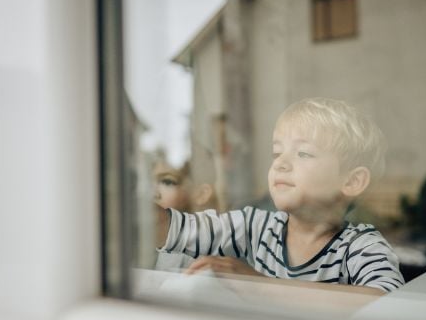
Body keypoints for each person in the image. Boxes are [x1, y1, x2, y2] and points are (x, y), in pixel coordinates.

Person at [156, 98, 404, 294]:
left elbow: (386, 304)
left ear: (351, 181)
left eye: (304, 153)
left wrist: (261, 287)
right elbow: (175, 229)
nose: (281, 164)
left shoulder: (361, 246)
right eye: (277, 153)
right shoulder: (255, 227)